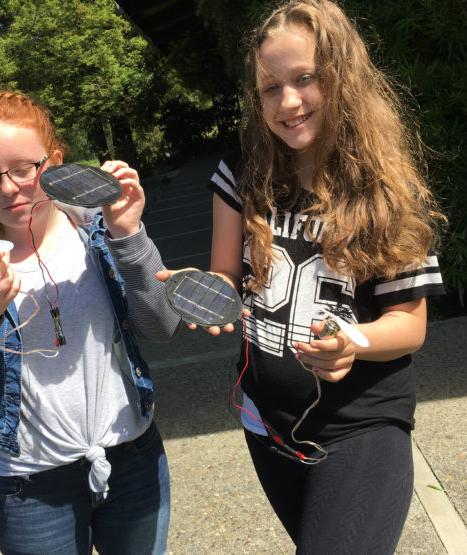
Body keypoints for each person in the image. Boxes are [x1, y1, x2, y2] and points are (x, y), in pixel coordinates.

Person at [163, 0, 447, 552]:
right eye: (271, 87)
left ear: (341, 78)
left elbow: (408, 325)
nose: (288, 102)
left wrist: (352, 341)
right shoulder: (240, 172)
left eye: (305, 79)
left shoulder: (385, 193)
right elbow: (227, 276)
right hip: (266, 425)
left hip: (361, 427)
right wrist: (200, 292)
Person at [0, 91, 180, 554]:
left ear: (54, 162)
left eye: (23, 168)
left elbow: (161, 327)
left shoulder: (101, 229)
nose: (10, 188)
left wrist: (129, 236)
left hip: (132, 458)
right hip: (27, 487)